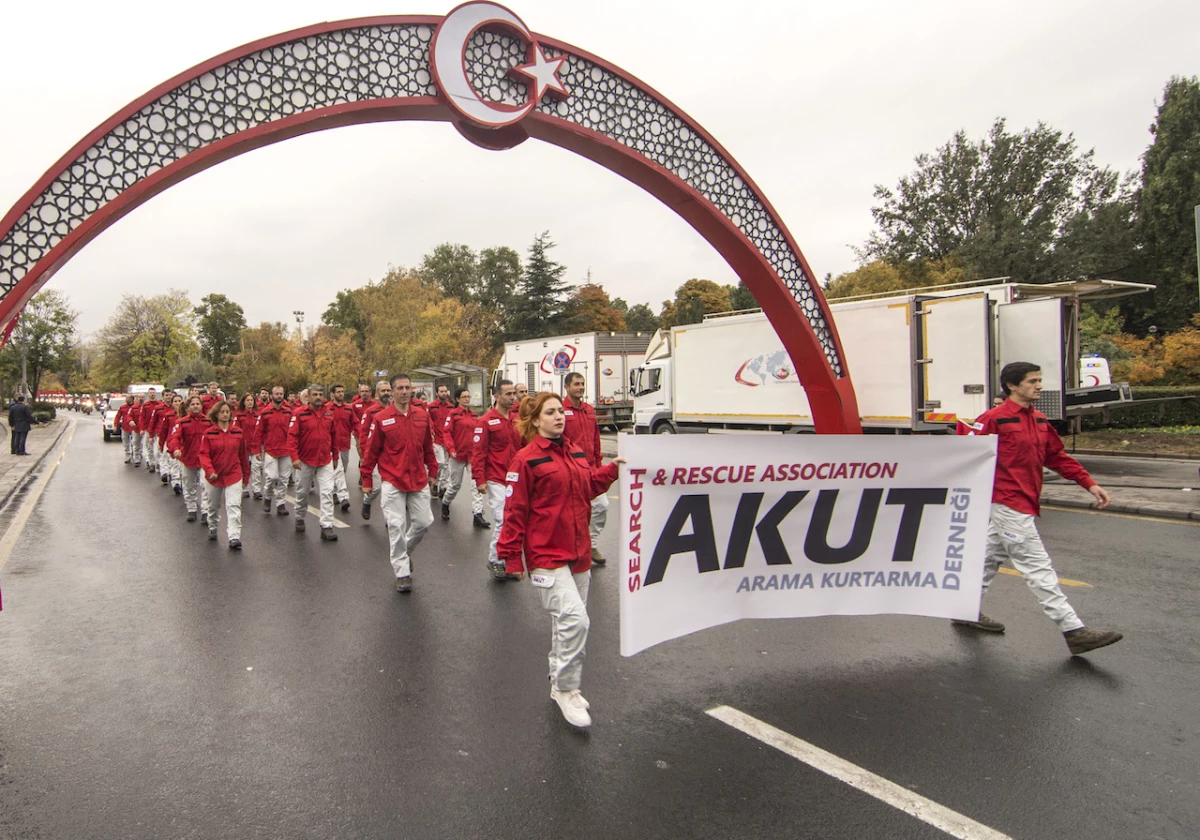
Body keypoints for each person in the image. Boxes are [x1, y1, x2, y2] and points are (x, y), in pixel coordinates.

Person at [956, 361, 1122, 656]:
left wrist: (1089, 483)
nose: (1039, 386)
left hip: (1025, 501)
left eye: (1039, 380)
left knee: (988, 558)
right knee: (1038, 568)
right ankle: (1074, 630)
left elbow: (1056, 457)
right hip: (1007, 502)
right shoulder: (994, 419)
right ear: (1012, 386)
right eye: (1033, 381)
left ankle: (964, 608)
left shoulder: (1040, 420)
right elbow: (965, 457)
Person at [497, 392, 623, 728]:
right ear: (535, 420)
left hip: (578, 551)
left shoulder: (576, 451)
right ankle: (567, 689)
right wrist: (511, 558)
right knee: (575, 621)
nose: (559, 416)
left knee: (567, 623)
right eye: (550, 412)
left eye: (560, 411)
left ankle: (558, 681)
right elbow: (514, 512)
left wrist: (612, 470)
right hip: (546, 555)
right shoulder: (525, 460)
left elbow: (587, 488)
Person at [360, 373, 437, 593]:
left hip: (419, 480)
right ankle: (402, 572)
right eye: (400, 388)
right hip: (392, 481)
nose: (404, 391)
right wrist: (367, 478)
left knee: (423, 522)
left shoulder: (422, 415)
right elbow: (371, 451)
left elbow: (428, 448)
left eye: (407, 387)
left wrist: (433, 470)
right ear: (392, 392)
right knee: (396, 527)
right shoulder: (381, 418)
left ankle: (404, 553)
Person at [472, 379, 521, 580]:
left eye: (513, 394)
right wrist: (480, 479)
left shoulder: (518, 420)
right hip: (495, 478)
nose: (512, 398)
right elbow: (478, 452)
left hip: (516, 479)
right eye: (508, 394)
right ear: (496, 396)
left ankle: (508, 557)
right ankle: (495, 559)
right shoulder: (485, 421)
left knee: (515, 521)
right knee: (502, 519)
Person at [562, 373, 608, 566]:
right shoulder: (561, 410)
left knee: (602, 506)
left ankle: (590, 543)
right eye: (576, 384)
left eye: (582, 384)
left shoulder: (589, 410)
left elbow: (595, 437)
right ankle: (570, 547)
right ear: (567, 387)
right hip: (571, 470)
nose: (581, 387)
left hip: (591, 469)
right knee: (572, 512)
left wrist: (598, 463)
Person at [287, 384, 339, 541]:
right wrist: (294, 457)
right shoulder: (299, 414)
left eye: (320, 394)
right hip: (305, 460)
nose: (318, 397)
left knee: (327, 492)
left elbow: (334, 436)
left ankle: (326, 526)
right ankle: (300, 516)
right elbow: (292, 437)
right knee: (302, 492)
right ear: (308, 397)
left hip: (325, 460)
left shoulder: (329, 414)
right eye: (314, 394)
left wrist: (335, 455)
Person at [200, 400, 250, 548]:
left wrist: (245, 476)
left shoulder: (237, 432)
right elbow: (204, 454)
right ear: (216, 414)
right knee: (213, 506)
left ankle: (234, 536)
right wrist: (210, 471)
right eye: (222, 412)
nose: (225, 414)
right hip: (214, 476)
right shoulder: (209, 433)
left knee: (234, 506)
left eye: (227, 412)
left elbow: (242, 455)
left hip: (233, 474)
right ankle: (213, 526)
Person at [440, 388, 485, 525]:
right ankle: (445, 503)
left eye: (468, 396)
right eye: (464, 397)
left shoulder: (474, 415)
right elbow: (446, 432)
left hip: (472, 455)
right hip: (457, 455)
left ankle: (478, 514)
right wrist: (451, 449)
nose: (467, 399)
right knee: (455, 485)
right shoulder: (453, 414)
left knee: (476, 484)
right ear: (458, 399)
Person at [168, 395, 212, 523]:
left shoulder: (208, 422)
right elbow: (174, 438)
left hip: (204, 459)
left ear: (202, 406)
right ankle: (192, 509)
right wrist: (175, 449)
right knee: (189, 485)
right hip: (187, 458)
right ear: (188, 407)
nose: (195, 406)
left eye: (198, 404)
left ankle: (205, 511)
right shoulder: (182, 422)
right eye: (192, 404)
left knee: (206, 485)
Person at [357, 380, 391, 520]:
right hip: (375, 455)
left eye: (389, 391)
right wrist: (365, 454)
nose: (387, 393)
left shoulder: (396, 409)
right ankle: (367, 502)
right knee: (377, 488)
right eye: (383, 391)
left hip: (391, 456)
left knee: (390, 489)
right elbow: (363, 433)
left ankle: (390, 520)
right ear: (377, 394)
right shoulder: (370, 412)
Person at [257, 386, 294, 516]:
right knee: (271, 477)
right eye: (276, 394)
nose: (279, 396)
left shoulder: (288, 412)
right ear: (271, 396)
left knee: (284, 479)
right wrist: (257, 450)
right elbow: (259, 432)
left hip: (285, 450)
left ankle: (281, 504)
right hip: (270, 450)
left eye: (281, 394)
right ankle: (267, 498)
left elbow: (293, 431)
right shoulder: (265, 412)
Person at [327, 384, 355, 512]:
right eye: (338, 392)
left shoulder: (349, 408)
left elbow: (355, 423)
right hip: (331, 446)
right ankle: (339, 495)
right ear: (332, 394)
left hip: (345, 444)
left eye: (342, 391)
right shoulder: (327, 408)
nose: (341, 394)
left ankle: (335, 490)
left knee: (342, 469)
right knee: (335, 469)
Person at [427, 384, 455, 499]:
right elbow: (429, 420)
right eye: (441, 391)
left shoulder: (451, 407)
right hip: (437, 439)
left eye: (445, 391)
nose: (444, 393)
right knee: (440, 463)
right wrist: (431, 431)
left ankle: (443, 486)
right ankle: (436, 482)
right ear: (437, 393)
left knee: (448, 465)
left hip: (448, 440)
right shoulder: (431, 407)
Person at [116, 394, 136, 463]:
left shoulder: (135, 407)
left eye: (128, 398)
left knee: (135, 442)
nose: (126, 399)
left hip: (134, 428)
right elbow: (118, 416)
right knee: (125, 442)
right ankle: (127, 455)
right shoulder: (122, 407)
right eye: (126, 398)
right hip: (125, 427)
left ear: (132, 399)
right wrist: (115, 425)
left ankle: (135, 454)